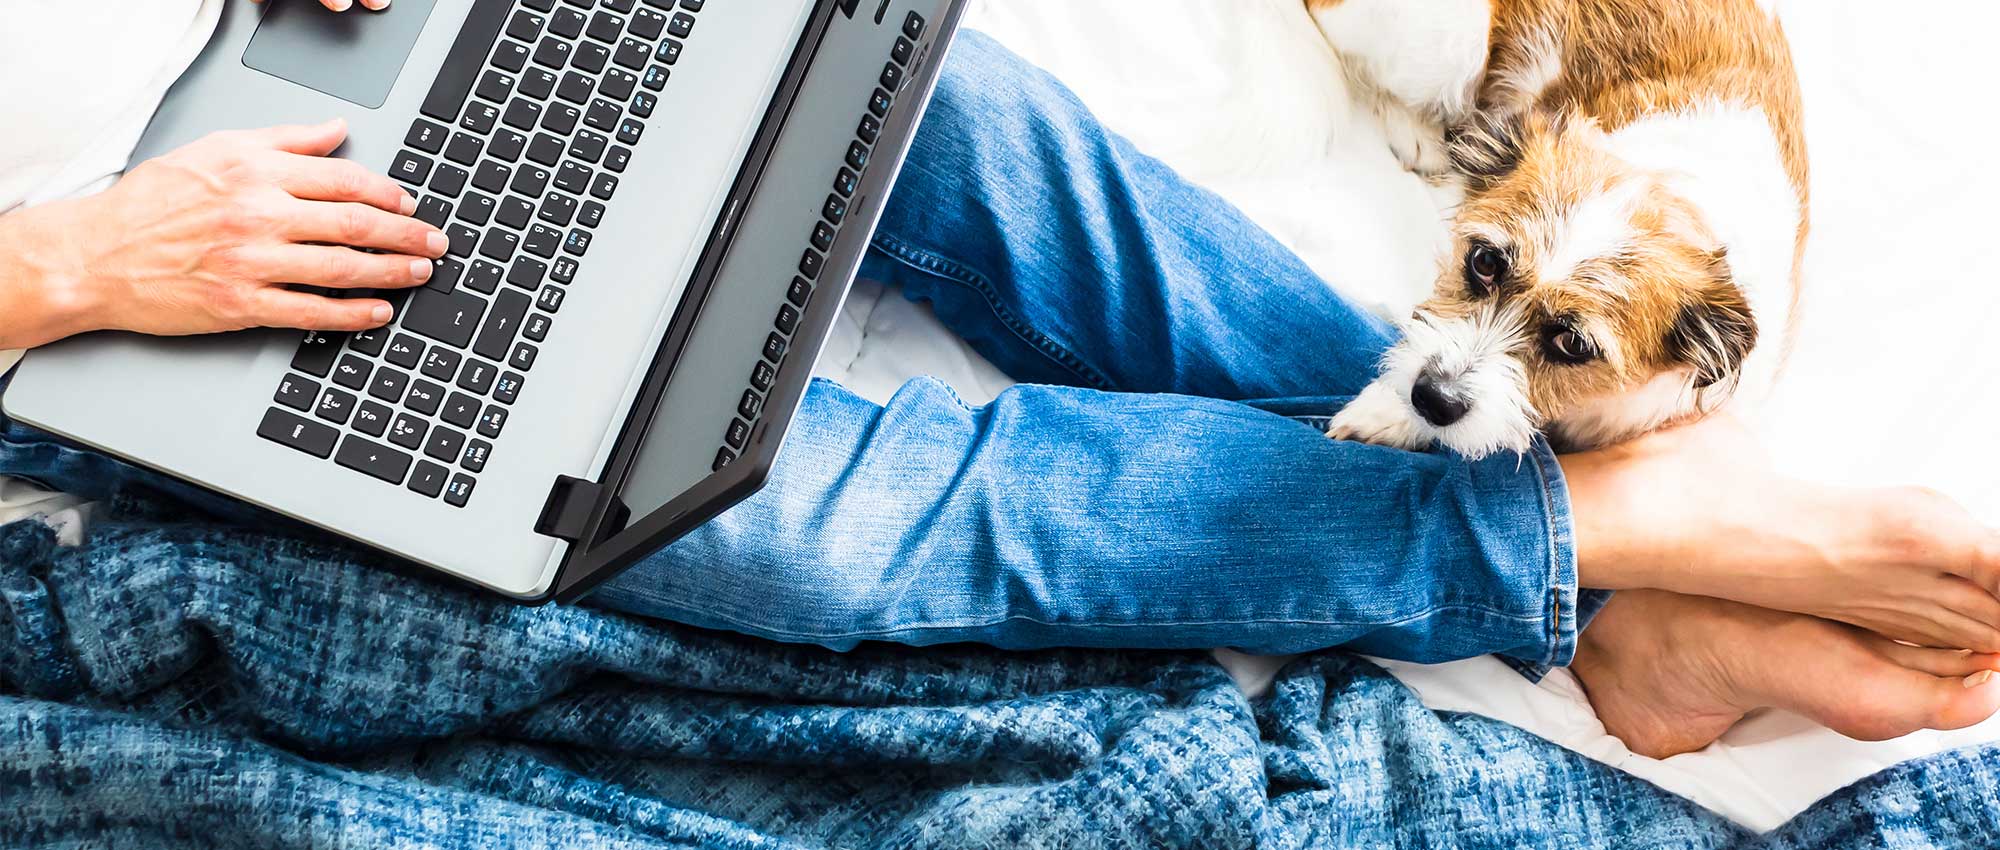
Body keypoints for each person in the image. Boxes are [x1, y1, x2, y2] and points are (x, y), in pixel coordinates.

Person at [2, 3, 1998, 759]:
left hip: (334, 39)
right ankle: (1595, 543)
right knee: (799, 516)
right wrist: (67, 264)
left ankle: (1595, 582)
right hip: (130, 273)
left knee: (938, 111)